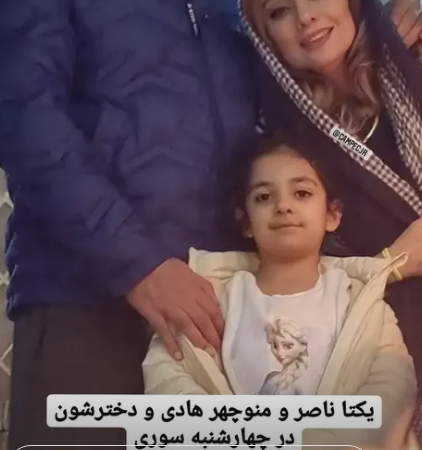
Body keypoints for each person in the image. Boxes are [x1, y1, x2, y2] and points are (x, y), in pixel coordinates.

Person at [0, 0, 420, 445]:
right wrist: (139, 266)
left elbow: (283, 124)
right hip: (88, 302)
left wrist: (380, 39)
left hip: (218, 318)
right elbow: (28, 125)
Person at [239, 0, 422, 415]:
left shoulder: (413, 66)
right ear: (265, 38)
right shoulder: (286, 154)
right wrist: (392, 262)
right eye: (279, 11)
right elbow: (302, 281)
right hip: (392, 356)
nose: (306, 17)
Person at [143, 134, 418, 450]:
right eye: (263, 197)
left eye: (302, 193)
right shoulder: (210, 297)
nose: (283, 206)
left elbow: (393, 387)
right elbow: (167, 378)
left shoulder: (361, 302)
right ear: (245, 222)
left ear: (332, 215)